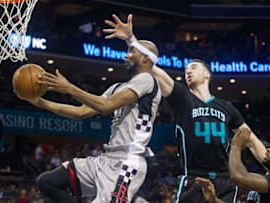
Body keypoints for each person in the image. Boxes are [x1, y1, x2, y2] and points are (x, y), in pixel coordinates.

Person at [103, 14, 267, 203]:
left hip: (225, 181)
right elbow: (152, 66)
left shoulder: (227, 108)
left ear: (207, 74)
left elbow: (251, 139)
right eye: (186, 69)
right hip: (193, 177)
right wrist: (131, 40)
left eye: (194, 68)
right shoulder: (182, 97)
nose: (188, 71)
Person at [14, 40, 161, 203]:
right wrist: (39, 102)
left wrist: (69, 88)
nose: (127, 55)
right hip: (105, 160)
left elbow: (106, 106)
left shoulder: (147, 80)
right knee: (47, 182)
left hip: (127, 162)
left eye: (132, 51)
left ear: (145, 59)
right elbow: (81, 112)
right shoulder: (117, 87)